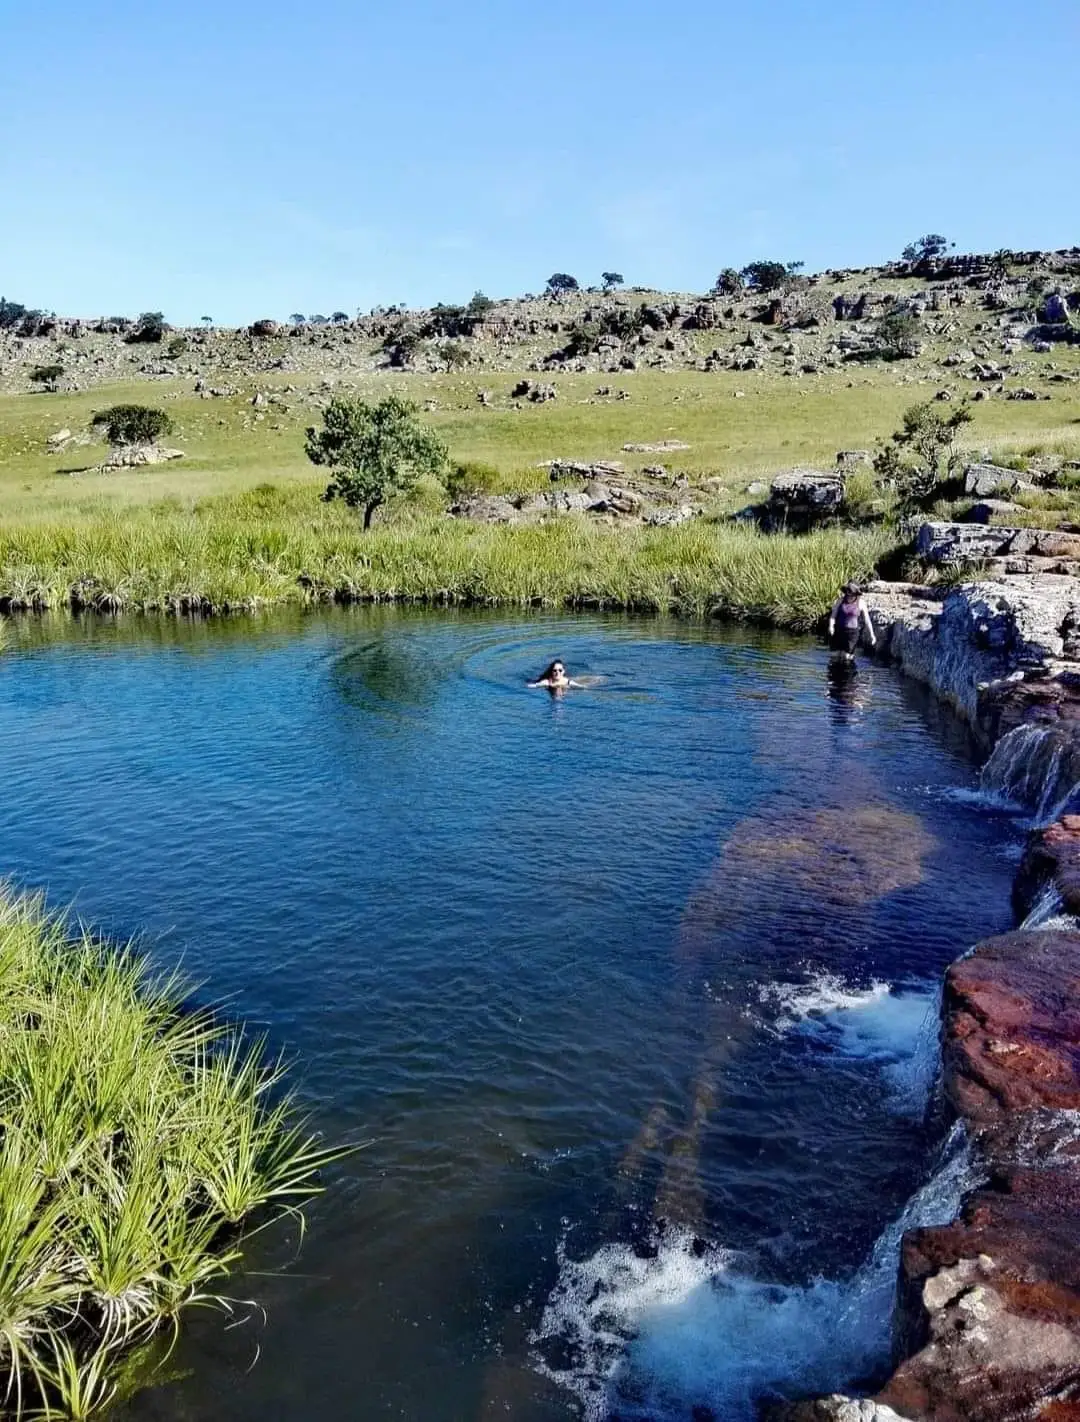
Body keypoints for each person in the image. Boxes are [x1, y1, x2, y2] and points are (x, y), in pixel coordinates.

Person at [827, 583, 876, 661]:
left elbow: (867, 620)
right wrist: (831, 626)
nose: (848, 595)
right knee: (835, 656)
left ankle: (848, 672)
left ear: (855, 593)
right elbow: (833, 615)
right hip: (839, 631)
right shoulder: (840, 601)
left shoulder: (861, 603)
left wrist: (872, 635)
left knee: (847, 657)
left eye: (851, 593)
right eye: (847, 592)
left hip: (852, 633)